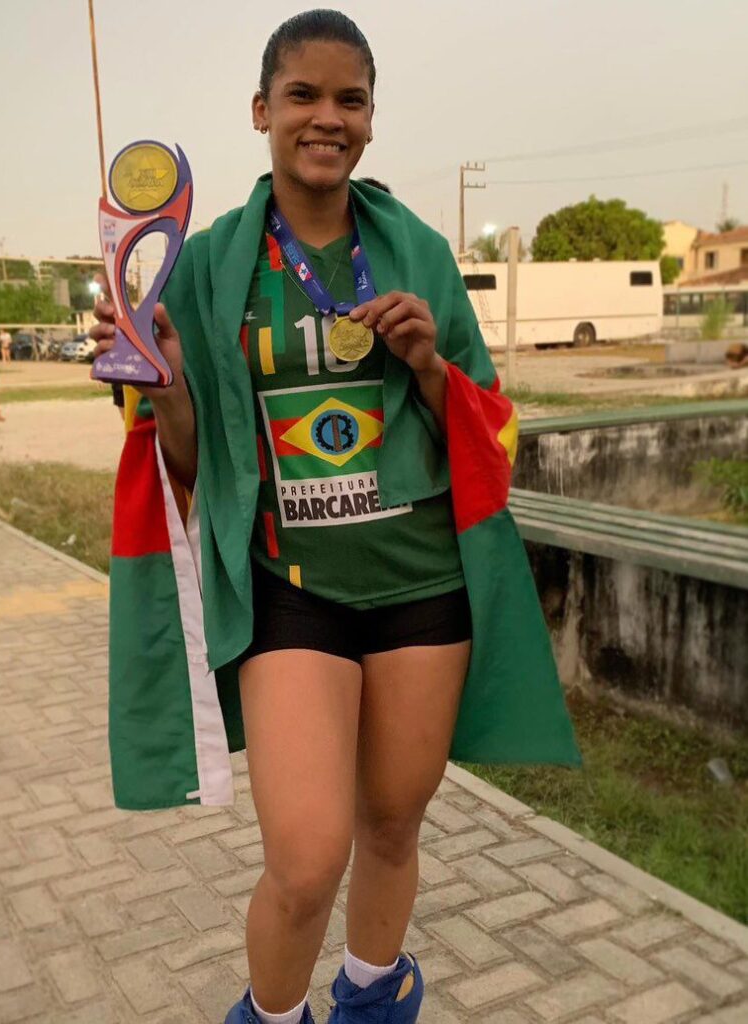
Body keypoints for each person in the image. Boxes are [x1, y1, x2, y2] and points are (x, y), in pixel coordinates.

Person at [91, 11, 578, 1024]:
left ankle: (372, 996)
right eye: (303, 96)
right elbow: (188, 460)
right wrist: (169, 384)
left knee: (393, 824)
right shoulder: (214, 259)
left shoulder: (420, 255)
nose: (327, 117)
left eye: (349, 99)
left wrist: (428, 364)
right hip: (291, 592)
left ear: (369, 119)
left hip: (422, 589)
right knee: (307, 858)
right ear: (262, 111)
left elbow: (491, 433)